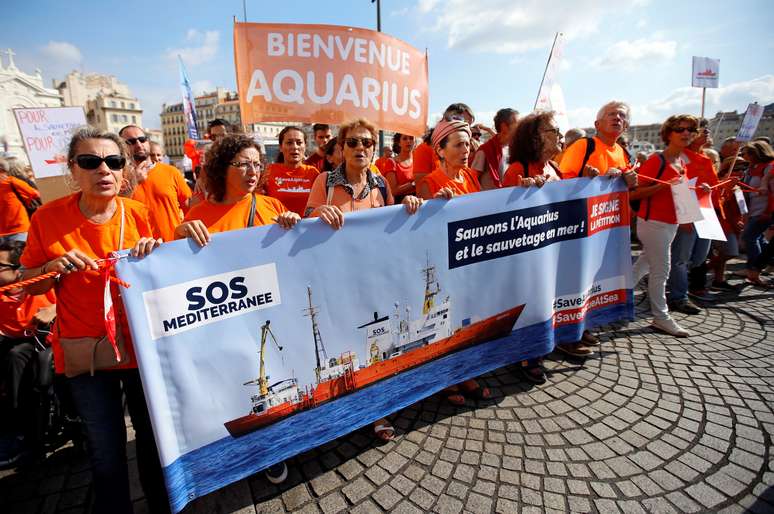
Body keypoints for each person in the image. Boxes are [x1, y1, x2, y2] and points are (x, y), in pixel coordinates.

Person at [19, 127, 167, 514]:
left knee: (153, 442)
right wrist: (51, 268)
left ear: (124, 171)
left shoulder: (139, 213)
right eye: (90, 161)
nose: (104, 169)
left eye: (114, 161)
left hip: (140, 348)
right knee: (106, 450)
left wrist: (156, 251)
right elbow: (28, 283)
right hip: (86, 353)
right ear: (73, 170)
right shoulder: (49, 218)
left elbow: (163, 272)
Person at [501, 111, 563, 380]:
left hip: (552, 248)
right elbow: (503, 216)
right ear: (535, 137)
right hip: (528, 254)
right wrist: (521, 194)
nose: (559, 136)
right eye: (553, 131)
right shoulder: (518, 170)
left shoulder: (555, 169)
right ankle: (527, 354)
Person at [630, 114, 700, 337]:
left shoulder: (681, 162)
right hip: (653, 223)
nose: (686, 133)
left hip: (671, 223)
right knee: (661, 270)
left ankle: (617, 297)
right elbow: (635, 192)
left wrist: (700, 189)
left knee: (644, 264)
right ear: (669, 133)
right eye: (680, 129)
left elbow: (679, 192)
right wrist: (663, 187)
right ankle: (661, 317)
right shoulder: (656, 160)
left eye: (691, 130)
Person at [0, 240, 56, 466]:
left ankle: (26, 437)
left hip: (50, 342)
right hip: (20, 344)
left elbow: (70, 301)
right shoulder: (3, 296)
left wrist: (53, 310)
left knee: (17, 359)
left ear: (17, 270)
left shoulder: (44, 286)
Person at [666, 119, 717, 312]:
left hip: (706, 212)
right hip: (687, 213)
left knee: (698, 258)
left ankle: (673, 287)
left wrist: (723, 187)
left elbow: (711, 186)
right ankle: (679, 296)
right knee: (681, 257)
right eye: (703, 131)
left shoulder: (705, 158)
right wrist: (685, 216)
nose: (707, 134)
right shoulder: (678, 156)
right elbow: (677, 184)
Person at [120, 125, 192, 242]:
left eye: (142, 139)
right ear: (122, 147)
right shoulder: (119, 178)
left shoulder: (171, 171)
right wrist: (134, 182)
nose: (138, 145)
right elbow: (116, 211)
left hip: (174, 246)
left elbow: (189, 208)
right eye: (131, 142)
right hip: (139, 253)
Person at [559, 101, 637, 185]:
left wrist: (630, 182)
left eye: (622, 115)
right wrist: (586, 180)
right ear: (597, 124)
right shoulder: (582, 146)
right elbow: (561, 183)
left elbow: (627, 189)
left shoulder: (623, 152)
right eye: (611, 114)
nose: (617, 118)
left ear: (626, 126)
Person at [262, 126, 320, 217]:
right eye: (289, 143)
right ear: (281, 147)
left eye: (299, 142)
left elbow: (319, 205)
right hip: (275, 228)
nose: (295, 147)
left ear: (305, 146)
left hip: (307, 229)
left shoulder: (313, 173)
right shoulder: (268, 171)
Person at [416, 119, 481, 200]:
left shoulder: (470, 174)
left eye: (467, 144)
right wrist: (439, 205)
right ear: (440, 151)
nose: (466, 150)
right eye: (458, 145)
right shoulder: (429, 184)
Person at [739, 140, 774, 286]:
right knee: (757, 238)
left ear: (756, 153)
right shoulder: (752, 168)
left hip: (764, 210)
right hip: (754, 209)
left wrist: (768, 211)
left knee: (750, 237)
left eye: (745, 152)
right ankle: (756, 267)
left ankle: (754, 269)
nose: (742, 155)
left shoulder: (769, 168)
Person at [472, 108, 518, 190]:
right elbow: (472, 179)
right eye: (517, 123)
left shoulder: (514, 150)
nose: (520, 126)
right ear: (504, 126)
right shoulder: (484, 150)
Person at [0, 157, 41, 244]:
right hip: (13, 230)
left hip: (18, 229)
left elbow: (35, 194)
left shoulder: (11, 182)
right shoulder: (12, 181)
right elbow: (36, 194)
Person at [382, 133, 416, 199]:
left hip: (419, 201)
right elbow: (393, 191)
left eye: (411, 138)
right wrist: (414, 184)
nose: (408, 141)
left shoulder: (418, 160)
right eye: (404, 138)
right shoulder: (391, 162)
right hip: (401, 204)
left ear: (415, 142)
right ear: (399, 143)